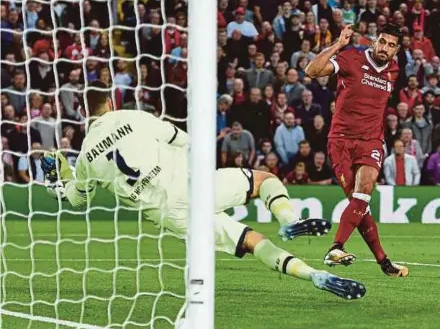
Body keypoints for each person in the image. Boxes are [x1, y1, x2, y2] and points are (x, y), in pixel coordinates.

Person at [40, 80, 364, 300]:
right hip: (192, 185)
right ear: (110, 102)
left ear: (83, 113)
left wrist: (59, 184)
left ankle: (315, 276)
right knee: (265, 180)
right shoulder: (132, 117)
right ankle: (288, 221)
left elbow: (79, 199)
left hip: (170, 216)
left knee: (253, 243)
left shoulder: (85, 157)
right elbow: (181, 139)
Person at [305, 24, 409, 277]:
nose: (385, 48)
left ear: (397, 50)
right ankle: (384, 262)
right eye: (382, 42)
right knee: (360, 206)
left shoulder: (395, 71)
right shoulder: (351, 58)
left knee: (363, 193)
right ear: (374, 41)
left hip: (371, 142)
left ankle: (335, 248)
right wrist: (338, 45)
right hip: (340, 141)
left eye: (391, 45)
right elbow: (312, 70)